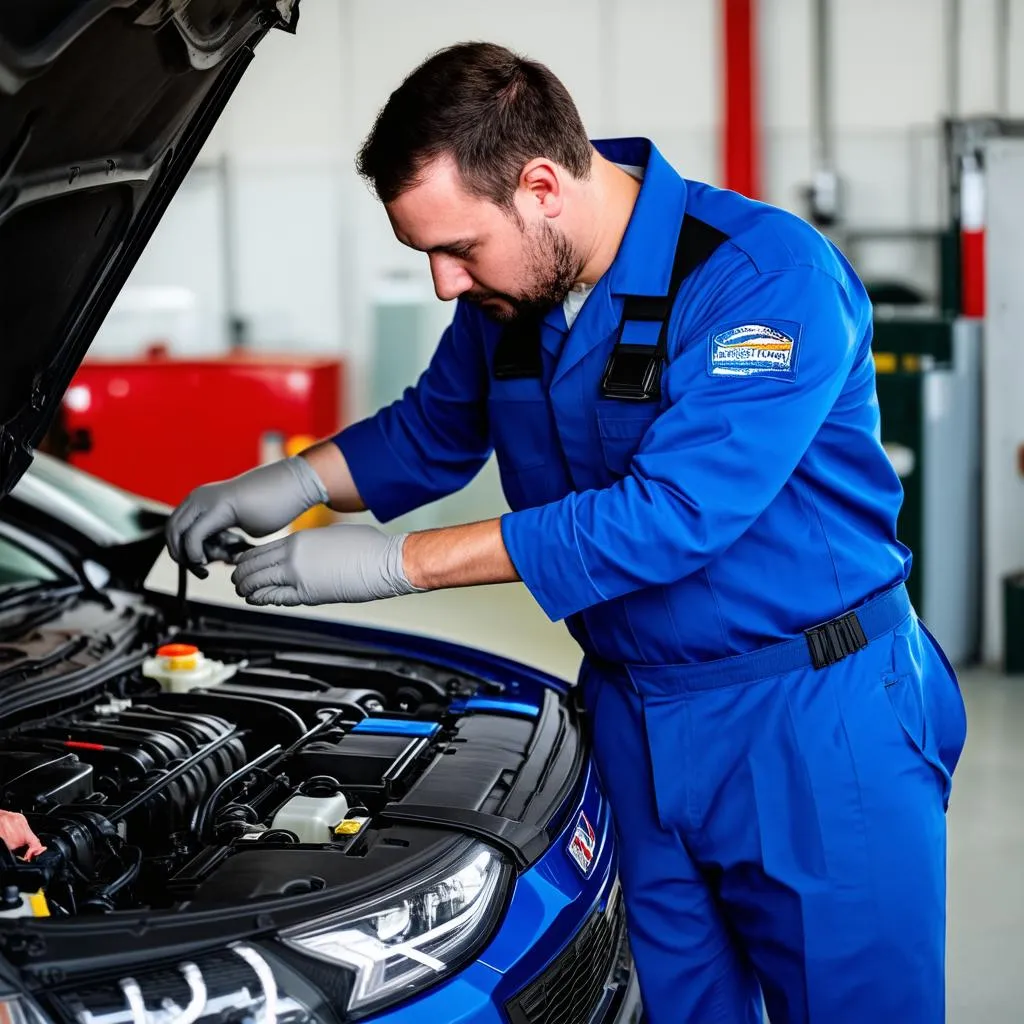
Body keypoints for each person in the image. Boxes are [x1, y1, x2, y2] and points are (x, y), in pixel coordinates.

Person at [166, 42, 967, 1024]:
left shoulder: (760, 276)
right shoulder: (519, 292)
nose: (443, 286)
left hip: (808, 719)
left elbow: (673, 515)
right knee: (674, 1008)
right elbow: (432, 430)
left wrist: (394, 562)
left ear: (541, 185)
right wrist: (287, 482)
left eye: (456, 248)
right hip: (634, 714)